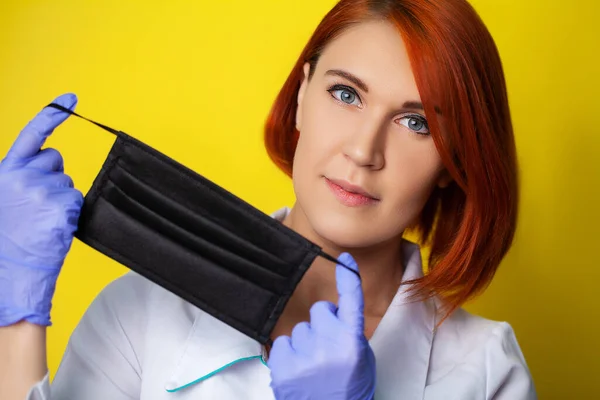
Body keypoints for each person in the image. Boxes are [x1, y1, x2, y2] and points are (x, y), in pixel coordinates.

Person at [0, 0, 537, 399]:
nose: (362, 150)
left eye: (415, 122)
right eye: (345, 94)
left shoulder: (486, 372)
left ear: (454, 162)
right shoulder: (141, 311)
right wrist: (16, 319)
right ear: (302, 96)